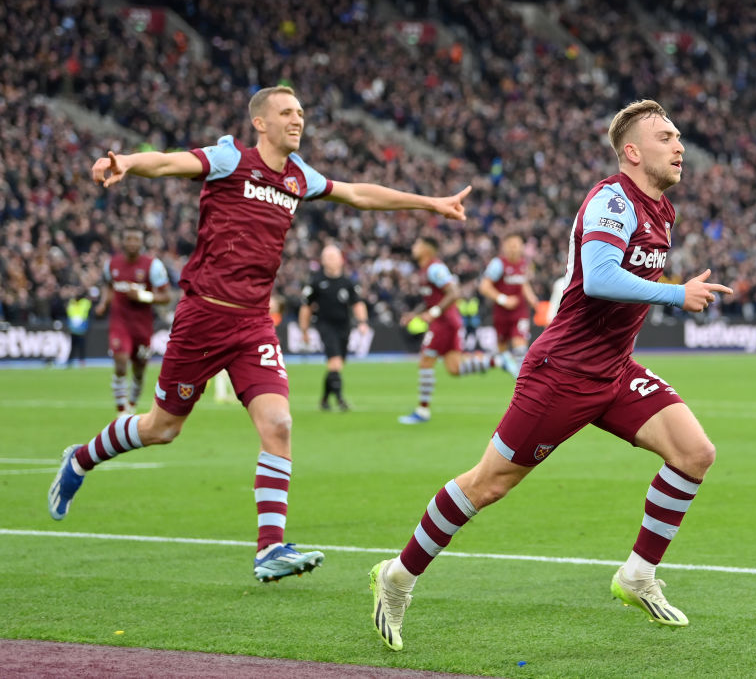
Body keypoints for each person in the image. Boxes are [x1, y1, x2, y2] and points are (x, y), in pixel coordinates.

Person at [48, 85, 472, 584]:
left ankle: (269, 548)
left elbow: (358, 194)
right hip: (203, 317)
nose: (298, 120)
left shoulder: (299, 176)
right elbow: (167, 163)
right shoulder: (229, 159)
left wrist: (430, 203)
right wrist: (126, 162)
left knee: (279, 424)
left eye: (301, 112)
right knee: (161, 429)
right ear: (260, 123)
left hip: (253, 324)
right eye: (286, 112)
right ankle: (80, 458)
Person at [370, 100, 733, 650]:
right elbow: (600, 278)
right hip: (562, 371)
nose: (679, 145)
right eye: (665, 137)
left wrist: (671, 291)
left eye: (679, 136)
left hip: (614, 370)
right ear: (632, 152)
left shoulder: (662, 210)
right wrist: (676, 294)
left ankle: (637, 575)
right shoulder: (612, 199)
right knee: (488, 483)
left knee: (694, 453)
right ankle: (397, 577)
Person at [397, 236, 516, 425]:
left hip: (444, 323)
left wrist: (434, 312)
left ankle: (422, 410)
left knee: (426, 361)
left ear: (427, 249)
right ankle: (497, 361)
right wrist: (415, 314)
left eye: (417, 244)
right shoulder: (424, 270)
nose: (414, 247)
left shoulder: (435, 268)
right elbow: (431, 300)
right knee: (454, 368)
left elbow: (454, 292)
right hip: (446, 322)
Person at [93, 227, 172, 414]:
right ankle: (121, 411)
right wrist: (103, 303)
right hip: (119, 322)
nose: (132, 243)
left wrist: (143, 296)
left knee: (139, 369)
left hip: (142, 326)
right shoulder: (112, 264)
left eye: (136, 239)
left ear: (141, 242)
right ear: (122, 242)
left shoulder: (153, 266)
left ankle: (132, 405)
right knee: (120, 363)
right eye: (128, 239)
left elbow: (166, 297)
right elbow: (108, 285)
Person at [299, 243, 369, 411]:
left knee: (337, 364)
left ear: (340, 260)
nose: (330, 260)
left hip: (344, 326)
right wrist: (304, 330)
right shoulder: (316, 282)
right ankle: (340, 400)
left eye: (333, 257)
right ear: (322, 260)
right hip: (325, 325)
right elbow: (306, 307)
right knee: (335, 361)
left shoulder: (348, 282)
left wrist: (362, 322)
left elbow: (358, 303)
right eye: (327, 257)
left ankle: (324, 400)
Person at [478, 233, 538, 376]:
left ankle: (521, 382)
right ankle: (512, 371)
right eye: (511, 245)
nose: (514, 248)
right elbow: (484, 287)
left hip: (520, 312)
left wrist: (533, 300)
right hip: (501, 314)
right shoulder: (498, 264)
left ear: (522, 247)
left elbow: (523, 284)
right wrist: (503, 299)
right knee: (502, 352)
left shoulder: (524, 264)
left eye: (517, 245)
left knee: (520, 348)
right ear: (504, 247)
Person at [65, 287, 93, 368]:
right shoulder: (72, 302)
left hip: (81, 328)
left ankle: (81, 361)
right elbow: (69, 314)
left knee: (81, 346)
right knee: (73, 346)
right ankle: (70, 361)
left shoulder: (85, 302)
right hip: (73, 328)